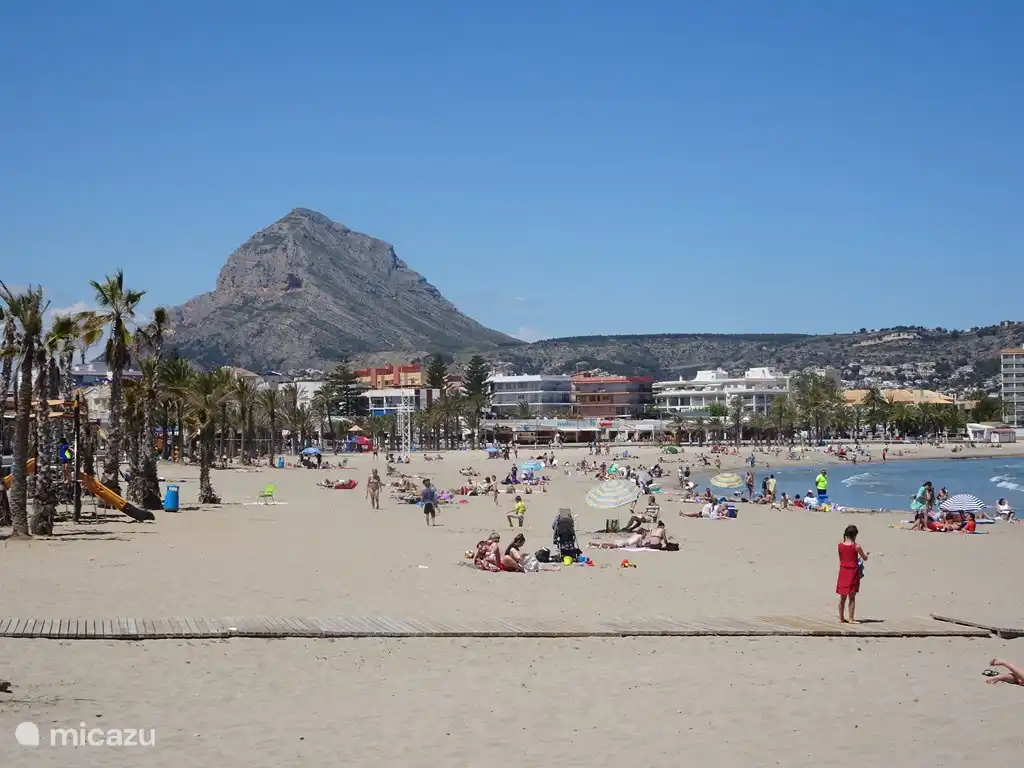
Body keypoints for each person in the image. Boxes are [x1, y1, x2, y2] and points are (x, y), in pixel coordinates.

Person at [836, 524, 869, 623]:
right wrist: (866, 554)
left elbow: (842, 558)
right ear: (855, 535)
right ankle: (851, 618)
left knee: (842, 597)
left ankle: (841, 618)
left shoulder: (840, 546)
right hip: (852, 571)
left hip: (843, 571)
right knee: (852, 597)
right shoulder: (856, 546)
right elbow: (864, 558)